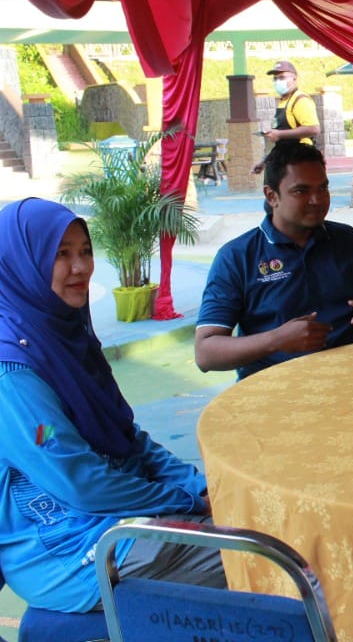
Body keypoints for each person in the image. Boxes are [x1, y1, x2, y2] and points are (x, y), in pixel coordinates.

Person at [0, 198, 225, 613]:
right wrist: (186, 500)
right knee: (264, 562)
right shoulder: (14, 373)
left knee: (254, 528)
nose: (81, 267)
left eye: (85, 251)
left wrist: (201, 488)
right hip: (70, 549)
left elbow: (130, 439)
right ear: (21, 264)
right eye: (60, 254)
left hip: (119, 516)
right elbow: (79, 482)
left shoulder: (69, 339)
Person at [196, 142, 353, 380]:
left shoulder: (348, 240)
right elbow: (205, 354)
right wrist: (275, 340)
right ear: (271, 196)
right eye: (301, 191)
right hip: (270, 391)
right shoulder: (237, 257)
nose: (317, 200)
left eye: (323, 188)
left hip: (351, 383)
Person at [250, 59, 321, 175]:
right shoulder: (283, 102)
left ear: (294, 78)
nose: (278, 81)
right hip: (287, 160)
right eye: (275, 78)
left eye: (282, 77)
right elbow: (283, 142)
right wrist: (264, 162)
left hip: (301, 160)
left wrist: (278, 134)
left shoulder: (300, 100)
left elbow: (313, 129)